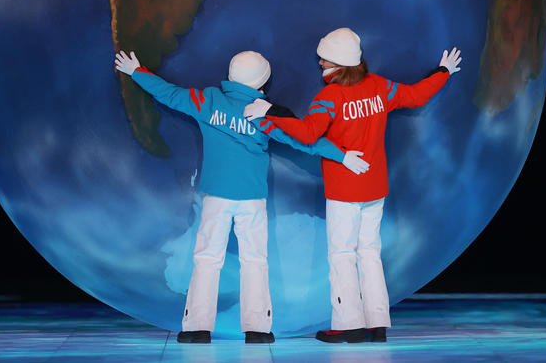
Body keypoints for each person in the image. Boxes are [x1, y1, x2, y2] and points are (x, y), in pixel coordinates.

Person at [114, 49, 371, 344]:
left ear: (230, 75)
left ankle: (197, 328)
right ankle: (258, 329)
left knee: (207, 258)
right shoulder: (264, 113)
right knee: (255, 260)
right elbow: (304, 141)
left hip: (216, 196)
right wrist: (341, 156)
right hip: (252, 198)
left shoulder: (208, 100)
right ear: (263, 81)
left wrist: (137, 72)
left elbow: (169, 94)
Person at [243, 28, 461, 344]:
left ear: (338, 63)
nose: (319, 62)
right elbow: (416, 96)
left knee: (342, 254)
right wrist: (443, 73)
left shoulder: (329, 97)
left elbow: (306, 134)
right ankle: (377, 323)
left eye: (325, 58)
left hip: (344, 190)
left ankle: (349, 325)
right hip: (375, 187)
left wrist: (272, 111)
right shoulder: (380, 87)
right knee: (370, 252)